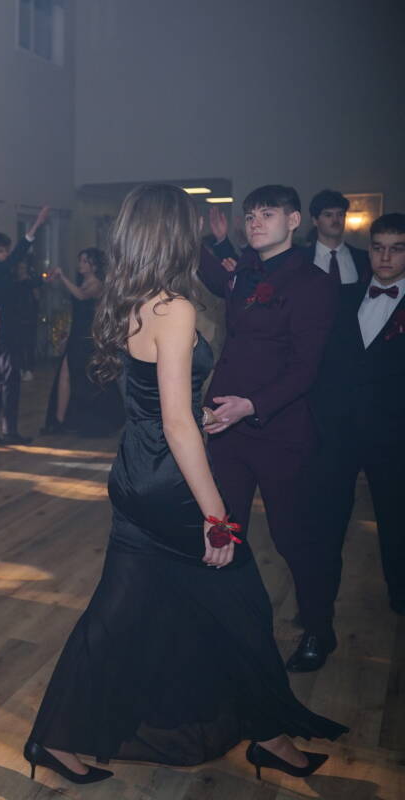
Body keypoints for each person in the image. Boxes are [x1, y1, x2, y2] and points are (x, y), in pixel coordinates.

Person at [26, 184, 347, 787]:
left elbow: (152, 402)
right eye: (193, 224)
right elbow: (174, 424)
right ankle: (271, 737)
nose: (201, 232)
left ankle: (56, 739)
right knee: (244, 607)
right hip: (168, 480)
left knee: (116, 611)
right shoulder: (173, 307)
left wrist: (198, 416)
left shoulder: (131, 298)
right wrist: (217, 515)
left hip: (133, 471)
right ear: (173, 233)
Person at [201, 191, 338, 673]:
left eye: (267, 214)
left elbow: (306, 368)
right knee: (224, 529)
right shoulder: (243, 271)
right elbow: (215, 279)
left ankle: (319, 629)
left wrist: (253, 406)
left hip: (281, 430)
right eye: (250, 215)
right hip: (227, 425)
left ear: (294, 220)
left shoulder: (314, 283)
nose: (255, 222)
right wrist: (195, 240)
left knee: (293, 539)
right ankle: (232, 624)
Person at [303, 212, 405, 667]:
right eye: (378, 247)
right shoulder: (343, 297)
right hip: (338, 436)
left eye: (396, 248)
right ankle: (316, 621)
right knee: (324, 528)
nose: (385, 257)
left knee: (397, 527)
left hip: (394, 439)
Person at [0, 209, 49, 445]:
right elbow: (18, 256)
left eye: (5, 250)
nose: (5, 254)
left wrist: (41, 280)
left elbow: (19, 287)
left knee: (3, 380)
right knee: (11, 380)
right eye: (0, 251)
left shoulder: (0, 271)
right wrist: (35, 226)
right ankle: (9, 431)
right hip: (1, 332)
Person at [40, 247, 123, 437]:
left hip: (89, 337)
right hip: (77, 334)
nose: (81, 264)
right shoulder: (83, 282)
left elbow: (81, 296)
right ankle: (59, 421)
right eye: (80, 261)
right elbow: (76, 309)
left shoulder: (98, 284)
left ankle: (84, 421)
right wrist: (66, 335)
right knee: (65, 374)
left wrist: (62, 277)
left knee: (85, 379)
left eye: (85, 261)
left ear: (94, 265)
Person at [308, 189, 370, 286]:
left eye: (340, 214)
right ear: (315, 221)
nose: (336, 220)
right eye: (328, 215)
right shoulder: (301, 258)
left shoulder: (363, 258)